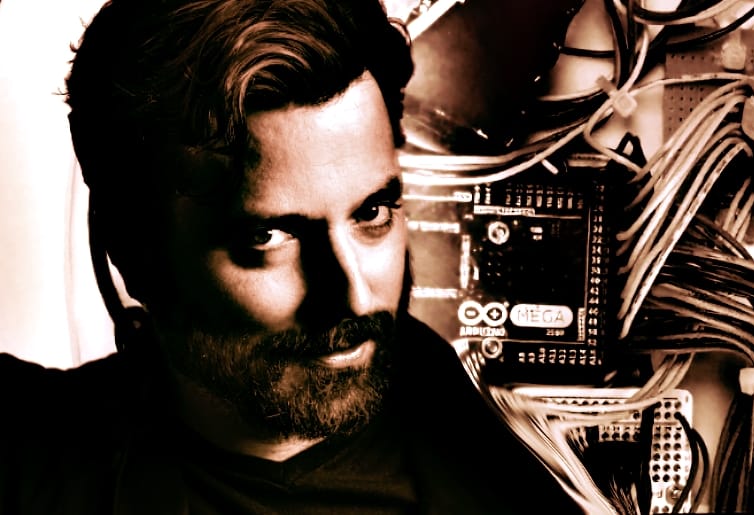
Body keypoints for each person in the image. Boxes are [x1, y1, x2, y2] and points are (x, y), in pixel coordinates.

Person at [0, 0, 585, 513]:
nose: (353, 295)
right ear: (135, 251)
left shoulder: (509, 481)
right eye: (268, 237)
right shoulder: (31, 461)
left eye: (372, 213)